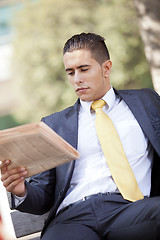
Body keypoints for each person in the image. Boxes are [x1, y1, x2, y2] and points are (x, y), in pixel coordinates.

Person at [1, 32, 160, 240]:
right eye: (70, 72)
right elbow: (43, 195)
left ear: (106, 68)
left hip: (131, 211)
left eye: (84, 69)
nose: (77, 79)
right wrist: (21, 190)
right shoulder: (55, 125)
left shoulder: (145, 102)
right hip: (73, 220)